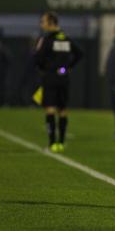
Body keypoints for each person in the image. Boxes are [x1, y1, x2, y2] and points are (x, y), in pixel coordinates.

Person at [35, 12, 82, 153]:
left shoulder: (47, 40)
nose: (41, 24)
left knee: (50, 108)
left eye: (43, 21)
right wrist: (68, 67)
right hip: (63, 78)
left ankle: (51, 144)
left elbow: (38, 59)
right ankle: (61, 142)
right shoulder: (65, 38)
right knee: (62, 109)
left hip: (50, 77)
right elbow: (80, 53)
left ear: (51, 23)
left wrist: (45, 68)